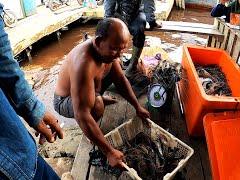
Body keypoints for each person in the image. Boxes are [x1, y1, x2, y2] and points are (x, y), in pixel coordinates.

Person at [53, 18, 150, 167]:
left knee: (111, 75)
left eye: (122, 49)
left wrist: (137, 107)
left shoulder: (108, 52)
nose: (119, 55)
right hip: (64, 99)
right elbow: (82, 115)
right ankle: (90, 133)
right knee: (97, 105)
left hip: (88, 89)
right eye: (115, 49)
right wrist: (109, 151)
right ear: (98, 42)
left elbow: (120, 80)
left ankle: (95, 97)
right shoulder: (84, 64)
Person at [0, 3, 63, 180]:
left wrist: (33, 109)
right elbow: (3, 59)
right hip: (14, 157)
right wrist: (32, 108)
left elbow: (3, 59)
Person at [103, 0, 147, 77]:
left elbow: (149, 2)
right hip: (118, 13)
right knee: (112, 29)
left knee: (139, 29)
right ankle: (117, 61)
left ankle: (133, 65)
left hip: (136, 14)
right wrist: (108, 20)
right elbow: (109, 4)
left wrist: (152, 20)